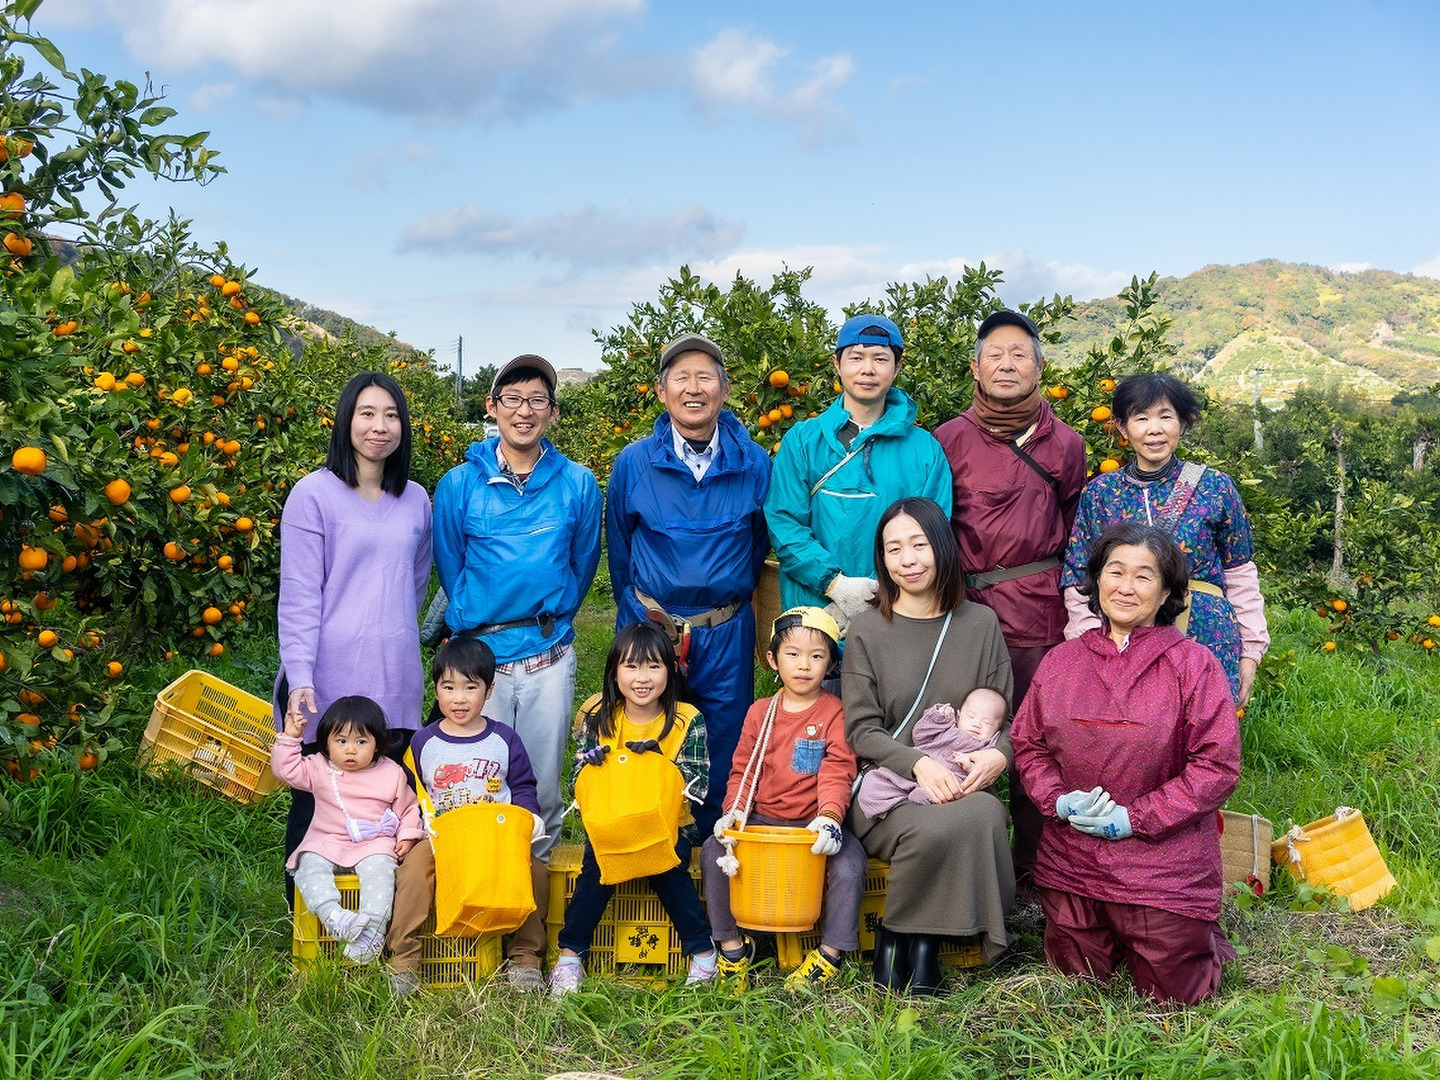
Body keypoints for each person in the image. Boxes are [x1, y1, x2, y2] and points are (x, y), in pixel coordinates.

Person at [1012, 523, 1242, 1005]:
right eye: (1115, 572)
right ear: (1097, 580)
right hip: (1073, 858)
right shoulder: (1061, 661)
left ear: (1166, 592)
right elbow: (1028, 745)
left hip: (1162, 866)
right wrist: (1058, 799)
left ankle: (1199, 937)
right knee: (1075, 982)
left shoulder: (1194, 664)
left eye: (1143, 576)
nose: (1126, 587)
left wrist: (1134, 818)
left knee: (1173, 996)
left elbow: (1216, 766)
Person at [933, 308, 1087, 890]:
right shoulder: (947, 439)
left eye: (1019, 354)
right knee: (950, 731)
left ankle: (1036, 869)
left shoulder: (1066, 444)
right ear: (975, 368)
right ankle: (961, 863)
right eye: (994, 354)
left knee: (1033, 736)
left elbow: (1075, 529)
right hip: (962, 612)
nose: (1006, 364)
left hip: (1037, 611)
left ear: (1039, 368)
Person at [843, 497, 1015, 995]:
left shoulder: (979, 624)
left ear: (941, 546)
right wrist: (918, 764)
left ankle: (917, 944)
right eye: (893, 548)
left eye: (919, 544)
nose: (908, 560)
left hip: (959, 780)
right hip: (888, 787)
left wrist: (999, 754)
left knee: (985, 813)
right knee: (935, 827)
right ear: (882, 558)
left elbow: (1006, 717)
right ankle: (899, 939)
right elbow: (861, 730)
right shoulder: (868, 629)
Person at [432, 354, 602, 857]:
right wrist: (478, 615)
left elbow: (583, 564)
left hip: (547, 651)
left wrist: (551, 614)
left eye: (537, 400)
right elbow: (451, 565)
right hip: (480, 659)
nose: (524, 411)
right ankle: (481, 884)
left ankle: (535, 891)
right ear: (492, 406)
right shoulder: (459, 484)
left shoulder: (577, 483)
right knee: (477, 785)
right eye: (513, 398)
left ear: (553, 411)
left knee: (542, 787)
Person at [274, 371, 432, 899]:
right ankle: (306, 921)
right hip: (328, 680)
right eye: (367, 413)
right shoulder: (313, 495)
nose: (379, 426)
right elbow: (300, 595)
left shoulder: (415, 500)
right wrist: (300, 677)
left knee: (386, 805)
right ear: (346, 421)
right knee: (318, 806)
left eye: (391, 415)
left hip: (394, 678)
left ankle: (376, 920)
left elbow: (414, 584)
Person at [606, 333, 771, 837]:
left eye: (705, 377)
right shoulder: (634, 462)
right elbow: (620, 551)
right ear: (662, 391)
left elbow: (758, 544)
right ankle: (648, 843)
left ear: (725, 389)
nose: (693, 388)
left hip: (725, 628)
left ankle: (715, 848)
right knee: (645, 734)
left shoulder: (754, 462)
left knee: (724, 739)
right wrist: (640, 616)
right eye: (681, 378)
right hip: (652, 624)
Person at [1061, 373, 1269, 705]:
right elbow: (1079, 578)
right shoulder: (1100, 493)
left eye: (1165, 416)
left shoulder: (1215, 487)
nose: (1154, 429)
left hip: (1207, 637)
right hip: (1122, 642)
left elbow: (1240, 573)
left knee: (1206, 728)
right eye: (1141, 418)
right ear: (1122, 428)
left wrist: (1251, 652)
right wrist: (1090, 644)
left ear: (1183, 424)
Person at [549, 622, 717, 995]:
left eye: (653, 666)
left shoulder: (687, 719)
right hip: (611, 822)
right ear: (614, 672)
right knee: (597, 868)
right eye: (631, 666)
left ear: (670, 670)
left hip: (669, 826)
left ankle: (703, 953)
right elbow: (577, 781)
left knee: (666, 867)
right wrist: (592, 766)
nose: (642, 678)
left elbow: (698, 786)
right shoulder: (598, 715)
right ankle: (570, 955)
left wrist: (659, 766)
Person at [702, 606, 864, 991]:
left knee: (850, 865)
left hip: (812, 825)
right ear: (773, 660)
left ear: (831, 664)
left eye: (816, 656)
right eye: (793, 654)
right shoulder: (760, 712)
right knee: (713, 852)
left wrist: (830, 818)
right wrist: (734, 812)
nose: (804, 665)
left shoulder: (835, 713)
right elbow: (743, 768)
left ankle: (829, 954)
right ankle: (731, 949)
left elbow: (838, 769)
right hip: (761, 820)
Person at [765, 314, 952, 642]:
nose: (868, 369)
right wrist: (835, 585)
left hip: (895, 617)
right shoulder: (803, 441)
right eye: (856, 358)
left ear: (897, 367)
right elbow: (784, 523)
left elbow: (932, 535)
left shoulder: (924, 450)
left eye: (880, 359)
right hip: (815, 621)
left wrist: (880, 596)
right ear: (837, 364)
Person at [386, 636, 550, 996]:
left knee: (536, 871)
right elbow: (409, 793)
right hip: (441, 836)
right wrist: (411, 830)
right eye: (449, 687)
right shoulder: (423, 742)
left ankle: (525, 957)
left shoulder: (504, 739)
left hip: (494, 837)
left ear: (489, 691)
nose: (459, 698)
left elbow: (523, 786)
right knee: (412, 873)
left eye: (470, 687)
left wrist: (529, 817)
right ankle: (404, 960)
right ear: (436, 690)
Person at [271, 695, 423, 964]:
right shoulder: (319, 767)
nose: (350, 750)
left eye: (361, 742)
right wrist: (290, 738)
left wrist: (407, 836)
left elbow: (409, 808)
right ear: (327, 742)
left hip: (374, 843)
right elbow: (286, 771)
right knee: (309, 865)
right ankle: (335, 917)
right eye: (341, 741)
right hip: (327, 840)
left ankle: (372, 931)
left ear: (377, 744)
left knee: (382, 871)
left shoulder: (391, 772)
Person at [855, 687, 1007, 820]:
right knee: (875, 779)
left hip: (953, 780)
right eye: (971, 716)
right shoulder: (948, 727)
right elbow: (920, 735)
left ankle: (927, 798)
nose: (977, 724)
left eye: (987, 723)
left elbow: (983, 771)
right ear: (959, 715)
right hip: (920, 767)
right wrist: (938, 717)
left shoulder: (986, 745)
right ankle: (881, 805)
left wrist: (969, 766)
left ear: (997, 730)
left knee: (950, 790)